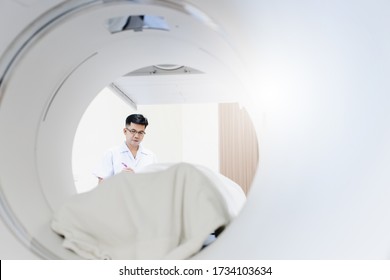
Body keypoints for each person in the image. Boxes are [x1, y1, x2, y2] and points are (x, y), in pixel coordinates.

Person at [93, 114, 157, 183]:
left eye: (141, 132)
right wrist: (119, 179)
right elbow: (101, 185)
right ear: (125, 131)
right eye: (133, 131)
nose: (136, 136)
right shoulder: (111, 154)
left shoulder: (150, 156)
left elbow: (156, 184)